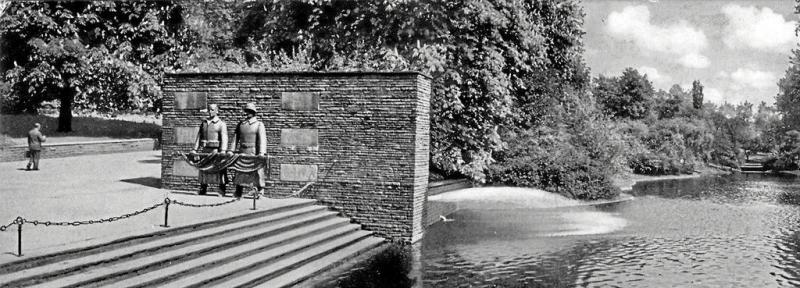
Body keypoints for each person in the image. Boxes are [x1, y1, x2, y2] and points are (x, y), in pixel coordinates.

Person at [229, 103, 267, 198]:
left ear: (254, 112)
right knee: (240, 171)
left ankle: (260, 190)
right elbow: (235, 138)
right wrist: (231, 150)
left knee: (256, 172)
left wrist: (262, 152)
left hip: (254, 152)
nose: (248, 113)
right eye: (246, 111)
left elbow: (263, 139)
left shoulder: (259, 124)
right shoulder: (241, 125)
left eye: (250, 111)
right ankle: (238, 191)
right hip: (242, 151)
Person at [191, 104, 229, 196]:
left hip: (215, 151)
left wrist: (223, 150)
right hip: (205, 150)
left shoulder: (221, 124)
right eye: (209, 110)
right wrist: (194, 149)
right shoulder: (204, 123)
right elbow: (199, 137)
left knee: (219, 170)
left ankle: (221, 189)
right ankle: (203, 188)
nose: (210, 111)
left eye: (212, 110)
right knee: (204, 170)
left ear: (217, 111)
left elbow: (224, 138)